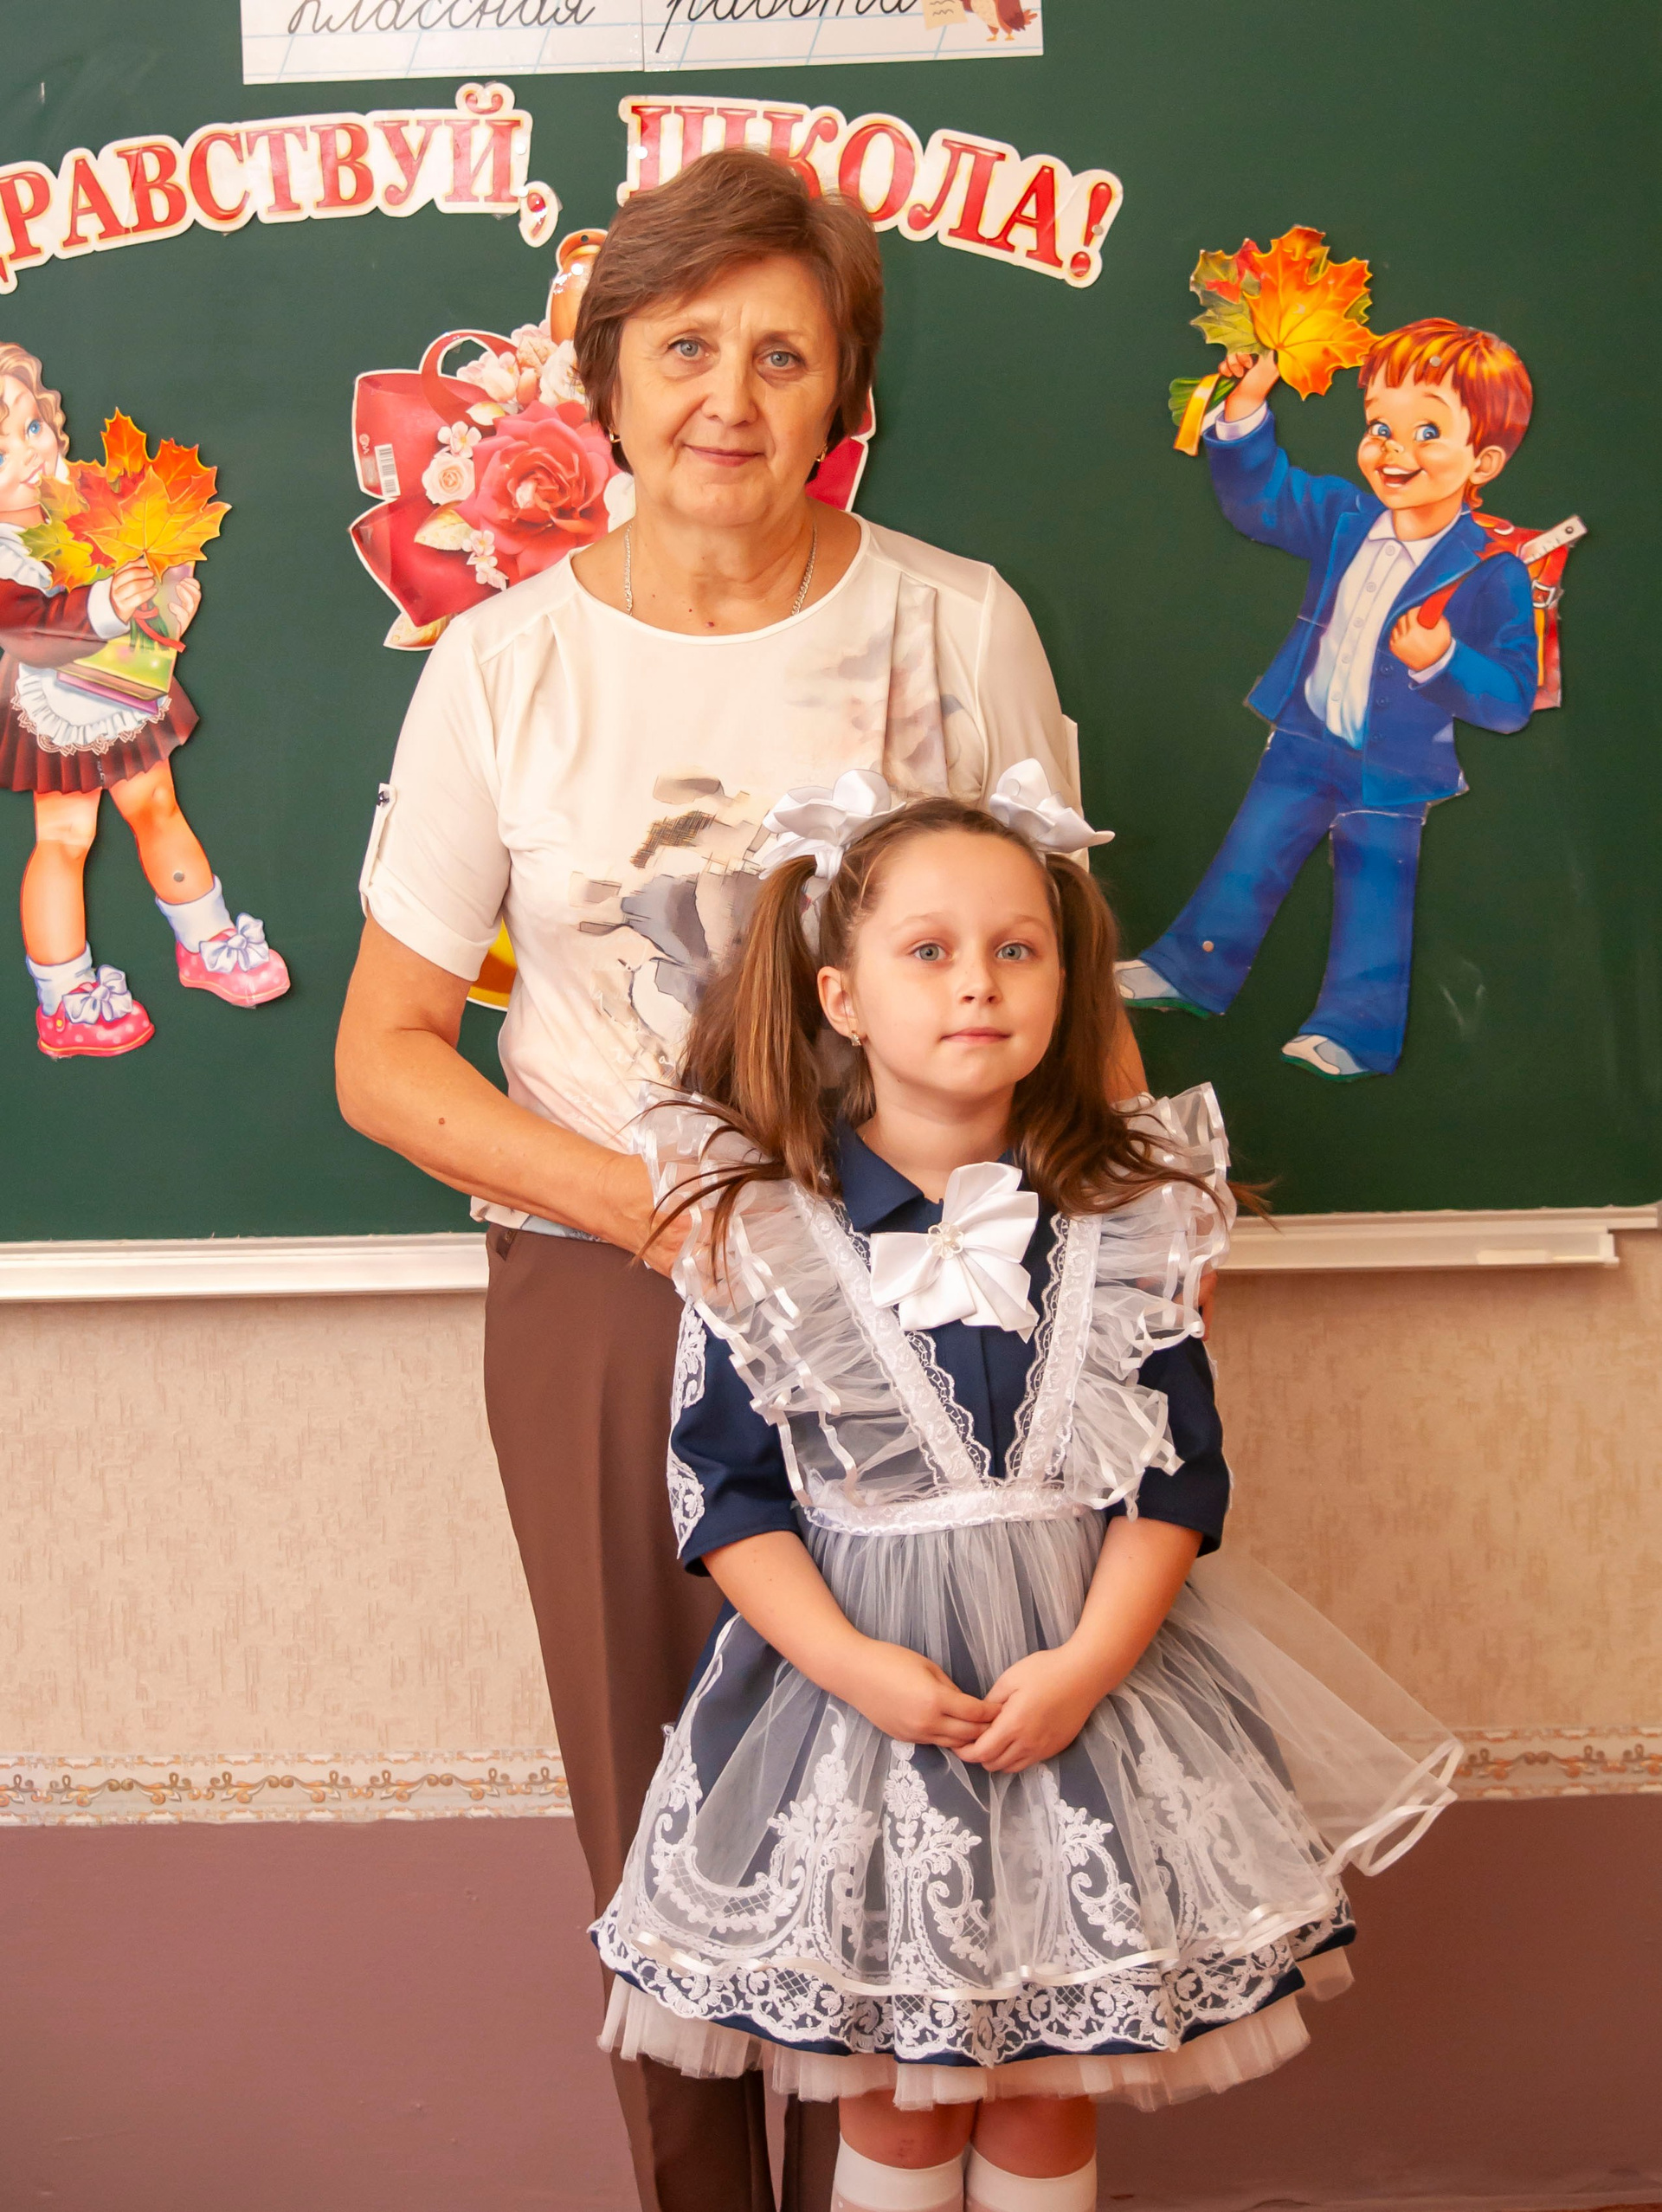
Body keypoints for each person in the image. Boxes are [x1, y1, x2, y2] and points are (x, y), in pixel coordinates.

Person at [336, 147, 1139, 2212]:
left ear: (842, 390)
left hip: (944, 1307)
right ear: (604, 376)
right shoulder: (498, 664)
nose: (730, 396)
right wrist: (667, 1212)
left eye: (785, 354)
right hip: (616, 1298)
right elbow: (384, 1056)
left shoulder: (956, 624)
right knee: (672, 1811)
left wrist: (1127, 1288)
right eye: (685, 346)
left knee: (929, 1795)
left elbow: (1078, 996)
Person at [594, 775, 1460, 2212]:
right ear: (842, 996)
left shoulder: (1136, 1223)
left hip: (1086, 1700)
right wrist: (856, 1666)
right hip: (861, 1713)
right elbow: (727, 1497)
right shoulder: (763, 1236)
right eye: (928, 950)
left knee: (1053, 2089)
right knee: (901, 2103)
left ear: (1067, 983)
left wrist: (1089, 1664)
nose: (978, 984)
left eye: (1018, 949)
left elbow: (1176, 1477)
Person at [1118, 319, 1539, 1080]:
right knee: (1250, 854)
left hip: (1394, 765)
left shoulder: (1491, 571)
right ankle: (1190, 970)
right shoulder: (1346, 518)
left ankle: (1354, 1034)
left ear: (1484, 461)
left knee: (1377, 895)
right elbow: (1261, 501)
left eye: (1427, 431)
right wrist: (1248, 402)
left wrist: (1444, 659)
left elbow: (1511, 698)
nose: (1394, 450)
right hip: (1305, 734)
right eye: (1380, 427)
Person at [0, 342, 289, 1059]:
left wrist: (166, 602)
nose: (29, 454)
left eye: (31, 427)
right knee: (65, 836)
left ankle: (207, 938)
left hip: (122, 682)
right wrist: (105, 604)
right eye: (1, 451)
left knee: (158, 804)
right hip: (51, 707)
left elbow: (147, 561)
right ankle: (65, 997)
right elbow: (27, 629)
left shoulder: (87, 500)